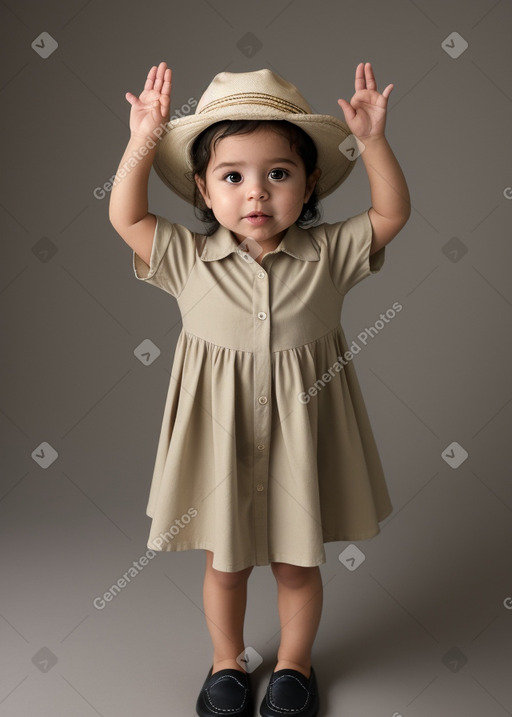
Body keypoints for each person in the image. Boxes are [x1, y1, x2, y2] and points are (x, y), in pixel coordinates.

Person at [109, 61, 410, 717]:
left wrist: (375, 141)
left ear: (308, 186)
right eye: (233, 175)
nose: (257, 193)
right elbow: (126, 215)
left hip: (303, 438)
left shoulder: (327, 255)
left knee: (298, 565)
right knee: (227, 563)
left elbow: (391, 212)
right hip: (222, 444)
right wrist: (142, 138)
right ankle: (226, 661)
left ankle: (295, 666)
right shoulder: (188, 260)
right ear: (203, 189)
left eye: (278, 173)